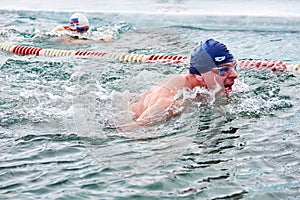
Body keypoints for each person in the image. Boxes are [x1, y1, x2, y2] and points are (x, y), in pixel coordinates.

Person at [117, 38, 238, 131]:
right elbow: (127, 130)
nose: (234, 75)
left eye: (234, 67)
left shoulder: (201, 85)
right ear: (199, 76)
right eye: (224, 70)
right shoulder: (169, 103)